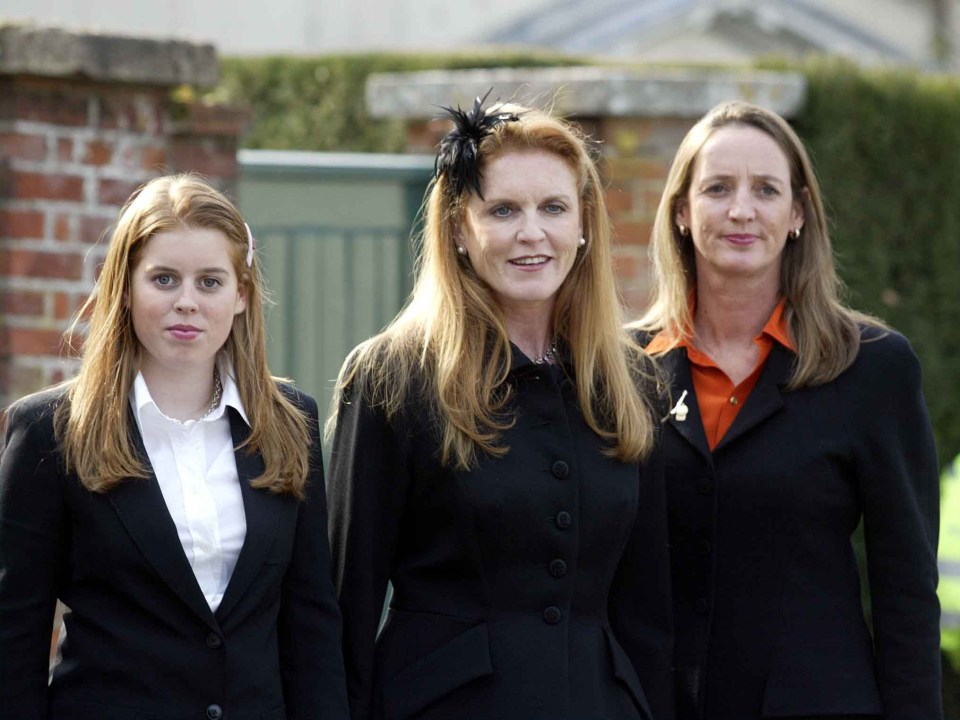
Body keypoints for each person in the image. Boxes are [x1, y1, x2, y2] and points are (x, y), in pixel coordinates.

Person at [326, 95, 673, 720]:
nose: (531, 233)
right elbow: (343, 611)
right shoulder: (392, 378)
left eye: (553, 208)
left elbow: (647, 612)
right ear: (460, 227)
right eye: (504, 210)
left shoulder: (633, 381)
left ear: (584, 224)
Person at [632, 100, 941, 719]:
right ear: (683, 214)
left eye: (766, 190)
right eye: (718, 188)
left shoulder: (874, 368)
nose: (741, 210)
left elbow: (905, 591)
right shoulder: (620, 367)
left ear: (797, 213)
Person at [0, 174, 349, 720]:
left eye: (210, 282)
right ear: (125, 287)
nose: (187, 301)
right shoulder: (49, 431)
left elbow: (312, 628)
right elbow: (14, 636)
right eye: (164, 279)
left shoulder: (290, 421)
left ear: (241, 295)